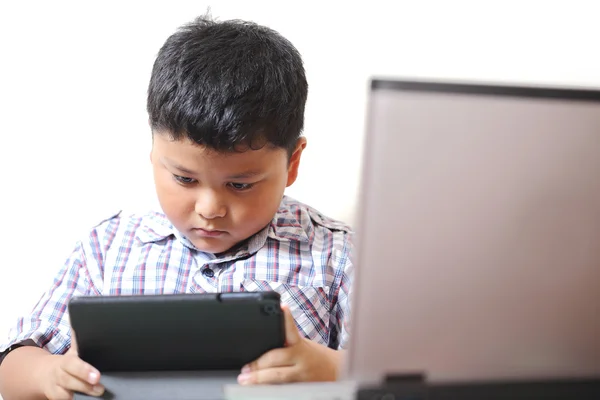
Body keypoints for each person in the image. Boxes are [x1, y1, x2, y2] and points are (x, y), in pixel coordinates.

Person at [0, 14, 354, 400]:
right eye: (185, 179)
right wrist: (49, 374)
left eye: (240, 184)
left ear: (292, 163)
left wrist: (335, 370)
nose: (210, 208)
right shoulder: (106, 249)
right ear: (154, 152)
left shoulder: (339, 255)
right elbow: (10, 369)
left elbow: (406, 381)